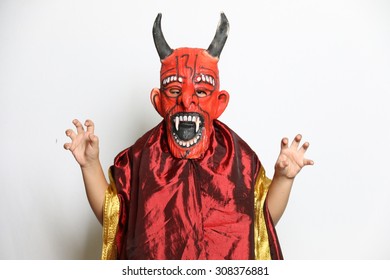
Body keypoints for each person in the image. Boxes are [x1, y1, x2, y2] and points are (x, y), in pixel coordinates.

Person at [64, 13, 313, 260]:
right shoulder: (140, 159)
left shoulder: (238, 159)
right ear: (158, 101)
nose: (186, 100)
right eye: (174, 90)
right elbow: (114, 218)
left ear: (220, 103)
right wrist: (89, 165)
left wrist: (283, 178)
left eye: (202, 90)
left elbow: (262, 223)